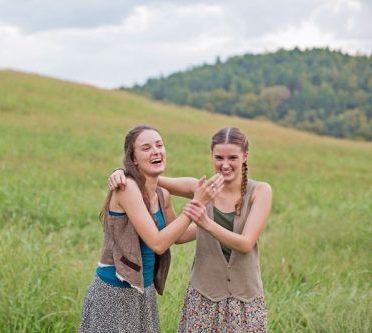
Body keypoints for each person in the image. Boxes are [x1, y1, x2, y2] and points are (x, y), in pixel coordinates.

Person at [108, 127, 272, 332]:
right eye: (219, 157)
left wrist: (206, 223)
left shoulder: (260, 191)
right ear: (211, 156)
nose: (225, 164)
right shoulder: (199, 188)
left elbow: (246, 243)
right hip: (203, 297)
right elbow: (148, 177)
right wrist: (119, 172)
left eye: (233, 157)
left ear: (245, 156)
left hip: (246, 300)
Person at [79, 125, 224, 333]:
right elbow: (158, 243)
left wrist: (215, 228)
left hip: (144, 291)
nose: (156, 151)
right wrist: (196, 205)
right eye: (146, 148)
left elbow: (179, 234)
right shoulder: (127, 189)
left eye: (159, 145)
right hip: (114, 293)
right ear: (134, 158)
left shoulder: (162, 194)